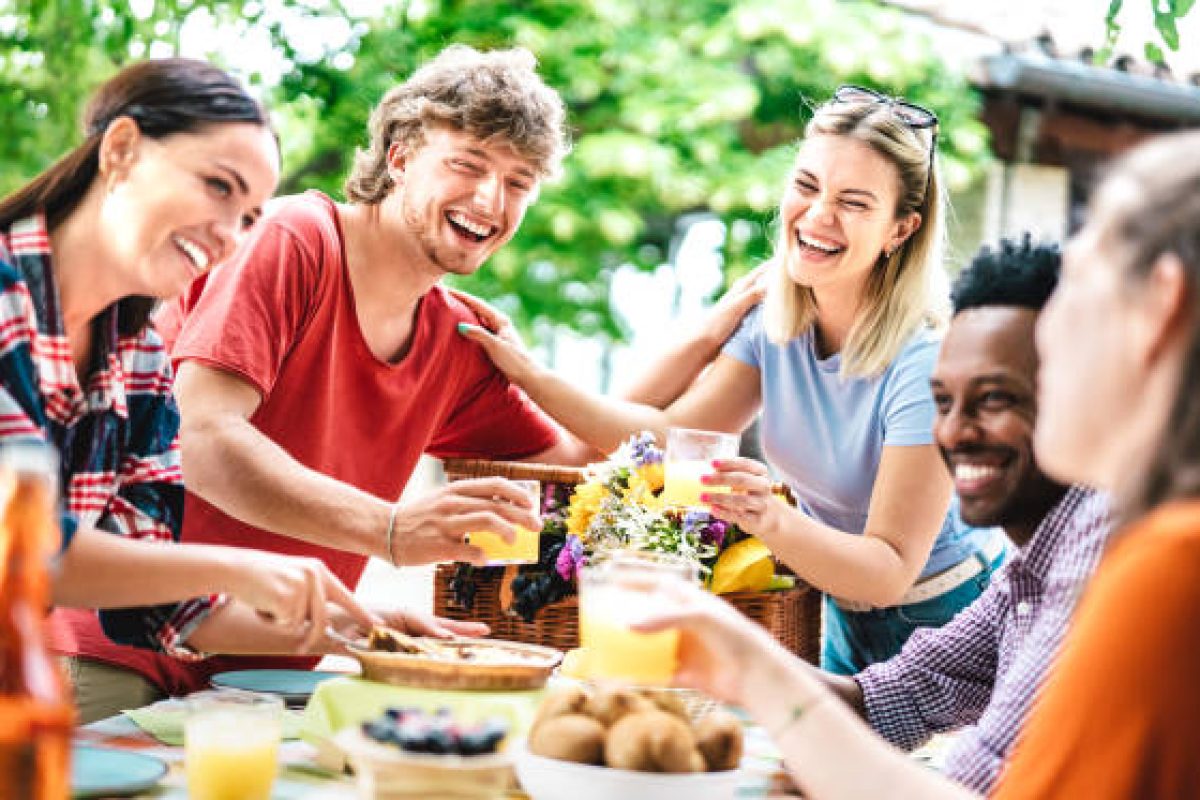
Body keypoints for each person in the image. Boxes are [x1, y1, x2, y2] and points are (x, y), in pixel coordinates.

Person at [639, 130, 1200, 799]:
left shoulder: (1165, 560)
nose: (1048, 336)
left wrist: (757, 676)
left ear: (1161, 304)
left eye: (1076, 292)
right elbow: (900, 697)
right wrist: (738, 656)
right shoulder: (1066, 546)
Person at [51, 45, 592, 709]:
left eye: (518, 182)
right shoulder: (295, 237)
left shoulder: (458, 342)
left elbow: (589, 462)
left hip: (271, 678)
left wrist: (549, 373)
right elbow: (202, 440)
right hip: (112, 653)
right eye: (467, 164)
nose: (490, 198)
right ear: (399, 158)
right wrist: (391, 529)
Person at [460, 85, 1007, 672]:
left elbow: (888, 569)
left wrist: (768, 516)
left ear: (900, 229)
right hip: (842, 612)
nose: (818, 214)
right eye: (806, 186)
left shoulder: (924, 362)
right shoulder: (778, 324)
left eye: (854, 202)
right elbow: (661, 439)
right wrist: (530, 374)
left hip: (949, 616)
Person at [0, 58, 403, 721]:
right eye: (218, 186)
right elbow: (24, 547)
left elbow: (163, 603)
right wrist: (236, 566)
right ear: (122, 149)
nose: (229, 235)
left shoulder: (138, 361)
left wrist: (366, 633)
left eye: (249, 216)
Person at [814, 235, 1110, 793]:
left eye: (994, 399)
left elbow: (984, 781)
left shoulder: (1099, 551)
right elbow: (894, 696)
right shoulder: (1028, 566)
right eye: (943, 401)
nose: (953, 431)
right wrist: (720, 650)